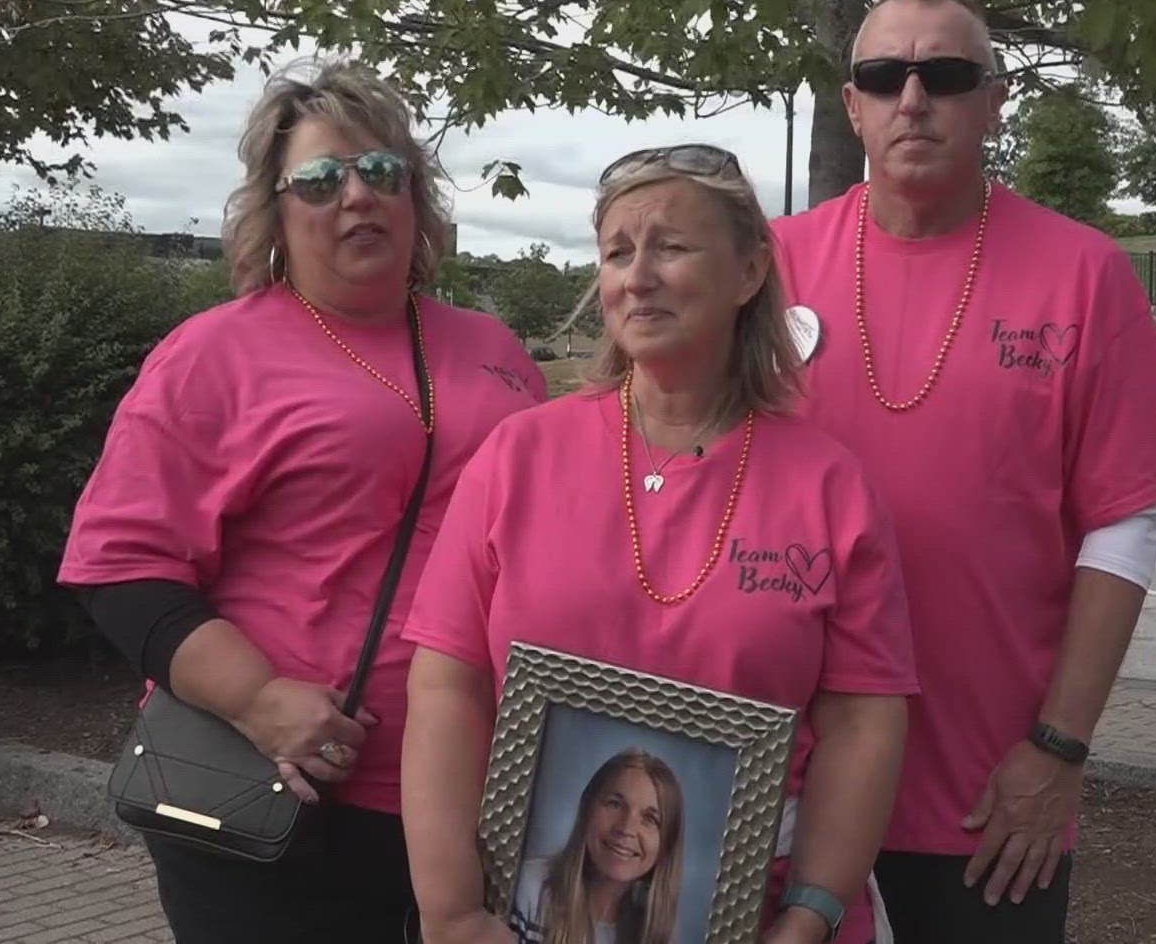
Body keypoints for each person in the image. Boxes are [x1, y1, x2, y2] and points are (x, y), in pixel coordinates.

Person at [57, 59, 547, 943]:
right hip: (281, 794)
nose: (356, 196)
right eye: (320, 180)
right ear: (275, 213)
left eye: (382, 172)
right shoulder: (215, 354)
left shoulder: (495, 348)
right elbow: (121, 567)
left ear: (417, 200)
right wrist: (256, 698)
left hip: (475, 793)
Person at [770, 0, 1156, 944]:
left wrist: (1060, 747)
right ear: (853, 105)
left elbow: (1124, 525)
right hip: (778, 783)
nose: (913, 99)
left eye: (948, 75)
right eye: (886, 77)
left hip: (985, 797)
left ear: (995, 98)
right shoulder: (770, 265)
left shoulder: (1083, 272)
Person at [400, 145, 918, 944]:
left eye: (671, 247)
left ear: (749, 272)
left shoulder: (830, 486)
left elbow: (861, 724)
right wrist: (450, 912)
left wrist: (812, 914)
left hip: (766, 917)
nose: (637, 276)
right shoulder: (519, 456)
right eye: (617, 252)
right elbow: (446, 690)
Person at [509, 749, 686, 944]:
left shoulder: (656, 936)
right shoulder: (526, 890)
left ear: (666, 846)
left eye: (650, 819)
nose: (626, 828)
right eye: (615, 804)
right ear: (587, 810)